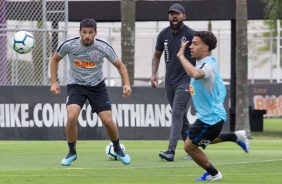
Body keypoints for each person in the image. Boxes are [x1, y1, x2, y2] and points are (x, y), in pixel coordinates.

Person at [49, 18, 131, 166]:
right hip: (76, 85)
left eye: (90, 32)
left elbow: (120, 66)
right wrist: (54, 82)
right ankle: (71, 152)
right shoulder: (70, 45)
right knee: (72, 116)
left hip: (97, 87)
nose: (87, 35)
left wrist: (126, 84)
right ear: (79, 32)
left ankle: (118, 148)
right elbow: (54, 59)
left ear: (95, 33)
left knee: (107, 120)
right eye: (84, 32)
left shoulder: (103, 47)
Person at [177, 31, 250, 181]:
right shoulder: (207, 62)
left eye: (195, 44)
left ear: (205, 48)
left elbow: (197, 74)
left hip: (210, 118)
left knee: (189, 147)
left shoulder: (208, 66)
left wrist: (181, 57)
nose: (191, 46)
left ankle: (213, 174)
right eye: (191, 43)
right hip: (213, 117)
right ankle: (235, 136)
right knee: (204, 140)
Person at [150, 3, 196, 161]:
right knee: (181, 117)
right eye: (171, 14)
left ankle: (171, 150)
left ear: (184, 16)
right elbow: (156, 56)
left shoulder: (191, 35)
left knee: (176, 113)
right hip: (169, 82)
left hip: (186, 81)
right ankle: (193, 149)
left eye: (177, 14)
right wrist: (154, 74)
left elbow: (201, 55)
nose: (174, 16)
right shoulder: (163, 34)